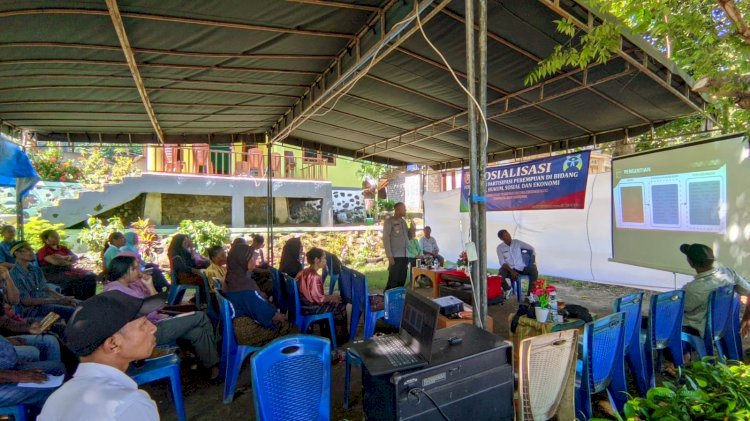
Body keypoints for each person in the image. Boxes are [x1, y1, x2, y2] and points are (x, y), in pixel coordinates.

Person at [39, 290, 162, 420]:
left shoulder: (55, 400)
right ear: (113, 344)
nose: (153, 328)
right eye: (142, 324)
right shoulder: (130, 404)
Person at [104, 256, 220, 379]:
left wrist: (149, 285)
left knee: (198, 332)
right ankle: (215, 357)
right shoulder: (117, 291)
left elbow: (157, 306)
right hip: (148, 332)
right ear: (127, 271)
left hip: (155, 322)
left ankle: (208, 365)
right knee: (200, 317)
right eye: (136, 268)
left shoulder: (128, 286)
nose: (140, 271)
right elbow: (155, 308)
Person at [679, 243, 750, 339]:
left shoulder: (692, 289)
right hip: (724, 325)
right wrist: (747, 317)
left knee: (665, 322)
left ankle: (684, 353)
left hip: (702, 330)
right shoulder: (729, 273)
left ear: (690, 263)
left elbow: (679, 310)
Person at [9, 241, 77, 322]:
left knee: (79, 304)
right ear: (17, 254)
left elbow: (46, 289)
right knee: (73, 312)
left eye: (32, 250)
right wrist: (58, 301)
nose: (32, 252)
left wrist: (63, 298)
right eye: (28, 250)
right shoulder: (14, 274)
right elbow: (26, 301)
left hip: (44, 304)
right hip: (30, 311)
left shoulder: (35, 269)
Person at [0, 334, 64, 414]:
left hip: (6, 369)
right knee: (49, 391)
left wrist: (6, 342)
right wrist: (17, 376)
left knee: (58, 368)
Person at [296, 247, 348, 344]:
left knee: (335, 301)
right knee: (340, 305)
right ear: (316, 260)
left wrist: (331, 298)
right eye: (323, 258)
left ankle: (329, 332)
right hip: (311, 307)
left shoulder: (303, 272)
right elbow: (319, 299)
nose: (325, 260)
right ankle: (339, 338)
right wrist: (332, 298)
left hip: (304, 304)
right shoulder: (315, 277)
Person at [36, 230, 96, 300]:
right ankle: (76, 301)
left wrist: (63, 257)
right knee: (76, 281)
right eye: (53, 236)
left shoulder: (63, 248)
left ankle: (89, 300)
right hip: (53, 273)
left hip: (68, 271)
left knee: (90, 276)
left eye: (57, 236)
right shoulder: (43, 251)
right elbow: (56, 262)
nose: (57, 237)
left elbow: (75, 258)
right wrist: (68, 260)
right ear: (46, 239)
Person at [168, 234, 209, 302]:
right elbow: (184, 268)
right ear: (179, 242)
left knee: (206, 275)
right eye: (185, 242)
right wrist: (197, 271)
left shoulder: (184, 251)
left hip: (188, 274)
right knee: (203, 279)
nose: (187, 244)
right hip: (183, 276)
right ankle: (198, 300)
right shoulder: (175, 254)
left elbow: (192, 262)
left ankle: (202, 300)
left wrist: (192, 248)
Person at [496, 229, 538, 296]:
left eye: (508, 234)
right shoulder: (499, 248)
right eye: (505, 236)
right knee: (499, 277)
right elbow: (502, 262)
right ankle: (508, 289)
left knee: (534, 271)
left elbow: (532, 248)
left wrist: (533, 262)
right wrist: (511, 271)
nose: (508, 236)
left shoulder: (517, 242)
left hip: (520, 267)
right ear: (501, 239)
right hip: (508, 268)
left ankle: (529, 295)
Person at [383, 202, 413, 290]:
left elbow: (409, 237)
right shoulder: (389, 221)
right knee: (393, 281)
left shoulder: (403, 222)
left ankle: (398, 300)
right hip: (395, 256)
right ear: (398, 210)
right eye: (404, 209)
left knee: (402, 280)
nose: (405, 210)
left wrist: (412, 229)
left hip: (405, 255)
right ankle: (386, 300)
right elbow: (385, 239)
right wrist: (389, 256)